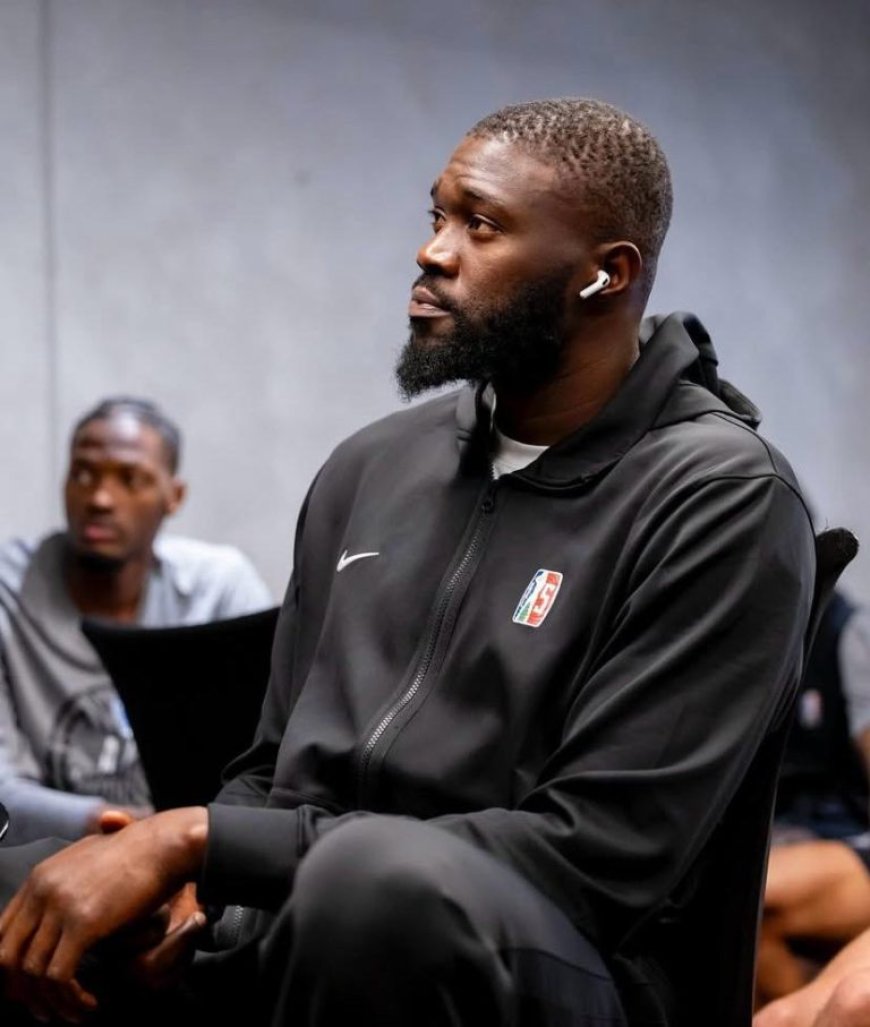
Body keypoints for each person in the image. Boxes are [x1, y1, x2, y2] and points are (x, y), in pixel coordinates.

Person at [0, 98, 814, 1027]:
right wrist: (189, 882)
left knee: (373, 886)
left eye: (482, 225)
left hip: (557, 964)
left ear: (606, 274)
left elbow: (595, 857)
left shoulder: (721, 496)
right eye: (437, 216)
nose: (433, 251)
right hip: (297, 917)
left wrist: (202, 840)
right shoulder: (372, 465)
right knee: (25, 887)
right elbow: (270, 767)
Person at [0, 396, 272, 845]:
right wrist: (138, 833)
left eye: (131, 479)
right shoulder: (9, 590)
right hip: (43, 857)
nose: (100, 499)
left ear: (174, 496)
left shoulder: (218, 588)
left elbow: (267, 763)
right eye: (83, 473)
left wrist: (177, 840)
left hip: (200, 856)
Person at [756, 594, 870, 1003]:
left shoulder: (851, 633)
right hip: (787, 830)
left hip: (853, 834)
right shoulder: (746, 636)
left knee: (752, 900)